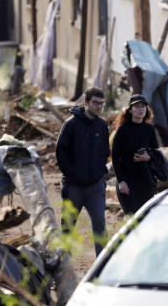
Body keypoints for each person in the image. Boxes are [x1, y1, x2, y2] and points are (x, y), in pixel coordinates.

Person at [55, 87, 110, 257]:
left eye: (102, 104)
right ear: (85, 102)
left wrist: (101, 173)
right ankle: (63, 266)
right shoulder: (71, 124)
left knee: (100, 224)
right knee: (68, 225)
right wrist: (72, 174)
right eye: (95, 103)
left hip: (95, 186)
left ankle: (103, 265)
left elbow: (104, 152)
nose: (99, 107)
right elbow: (61, 152)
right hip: (74, 186)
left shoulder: (102, 125)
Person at [111, 94, 159, 215]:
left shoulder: (149, 129)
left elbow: (156, 153)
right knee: (132, 218)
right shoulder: (123, 130)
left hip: (146, 181)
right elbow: (115, 157)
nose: (140, 109)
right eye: (137, 106)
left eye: (143, 106)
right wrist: (121, 181)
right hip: (127, 182)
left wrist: (148, 158)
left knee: (146, 217)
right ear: (130, 110)